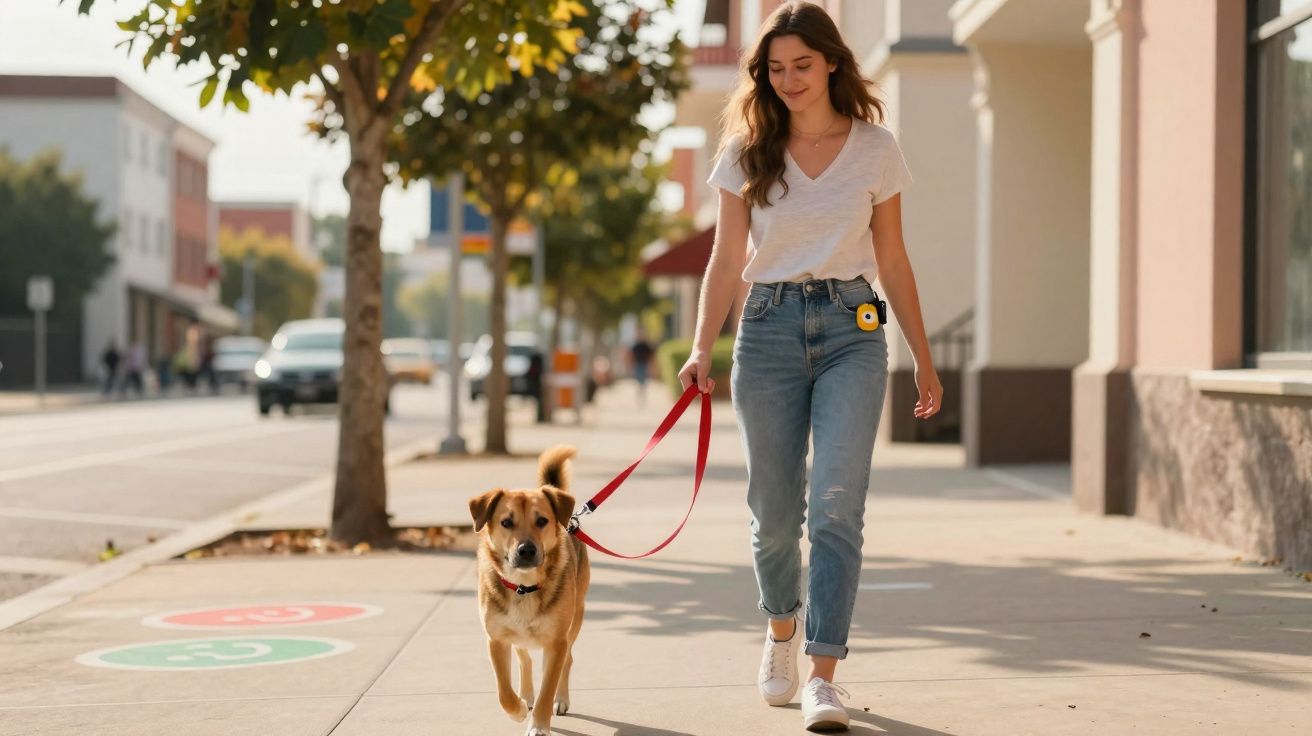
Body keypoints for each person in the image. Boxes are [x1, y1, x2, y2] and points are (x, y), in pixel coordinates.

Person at [677, 3, 943, 731]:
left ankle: (824, 674)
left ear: (831, 61)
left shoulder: (875, 148)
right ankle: (781, 630)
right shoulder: (746, 149)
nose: (789, 79)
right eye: (775, 68)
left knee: (834, 503)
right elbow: (726, 259)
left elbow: (892, 256)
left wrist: (922, 356)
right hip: (765, 332)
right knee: (771, 515)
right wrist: (702, 346)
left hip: (855, 329)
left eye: (802, 63)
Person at [629, 333, 654, 404]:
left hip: (644, 365)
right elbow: (631, 356)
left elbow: (651, 356)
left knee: (643, 381)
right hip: (637, 364)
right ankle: (640, 392)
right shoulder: (635, 346)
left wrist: (652, 366)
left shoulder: (646, 346)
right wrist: (631, 365)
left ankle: (642, 393)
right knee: (638, 380)